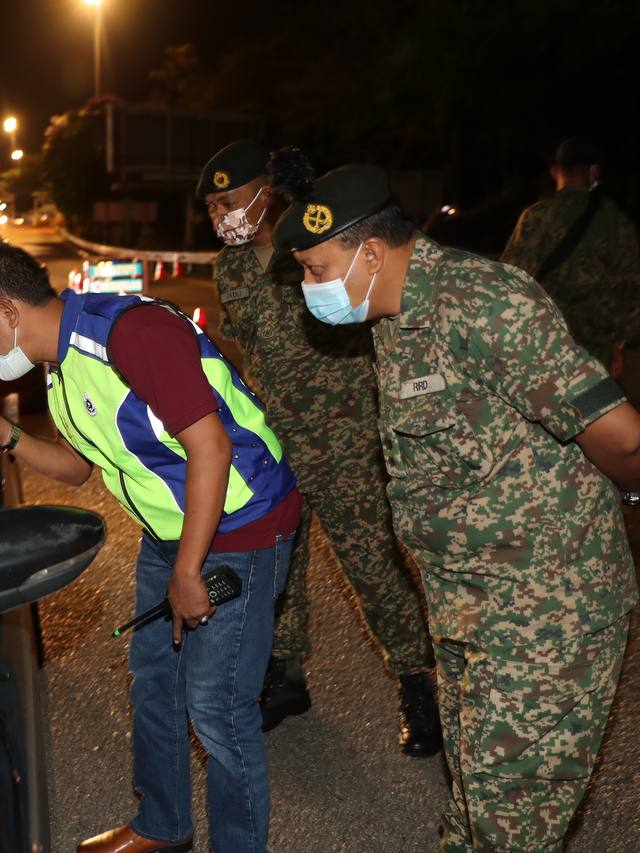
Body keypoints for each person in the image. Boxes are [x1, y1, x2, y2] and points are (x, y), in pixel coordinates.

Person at [273, 163, 640, 851]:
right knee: (471, 808)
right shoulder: (392, 312)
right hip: (467, 611)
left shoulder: (483, 302)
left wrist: (620, 496)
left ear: (371, 252)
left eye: (315, 268)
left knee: (510, 829)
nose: (308, 288)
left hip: (543, 617)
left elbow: (623, 437)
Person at [0, 243, 301, 853]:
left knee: (218, 709)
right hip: (173, 530)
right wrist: (6, 432)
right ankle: (163, 824)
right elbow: (77, 468)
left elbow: (212, 449)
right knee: (154, 679)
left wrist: (188, 570)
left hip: (240, 525)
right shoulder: (60, 364)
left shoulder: (134, 334)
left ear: (6, 311)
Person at [198, 141, 439, 752]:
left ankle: (418, 681)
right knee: (277, 566)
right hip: (275, 439)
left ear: (266, 191)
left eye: (229, 200)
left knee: (371, 565)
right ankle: (285, 676)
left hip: (344, 435)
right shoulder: (227, 271)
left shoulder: (311, 249)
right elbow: (248, 351)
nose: (220, 215)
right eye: (210, 206)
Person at [501, 136, 640, 368]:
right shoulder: (615, 222)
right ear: (594, 171)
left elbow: (510, 281)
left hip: (542, 347)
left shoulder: (535, 216)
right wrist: (617, 342)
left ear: (555, 171)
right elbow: (630, 288)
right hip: (593, 353)